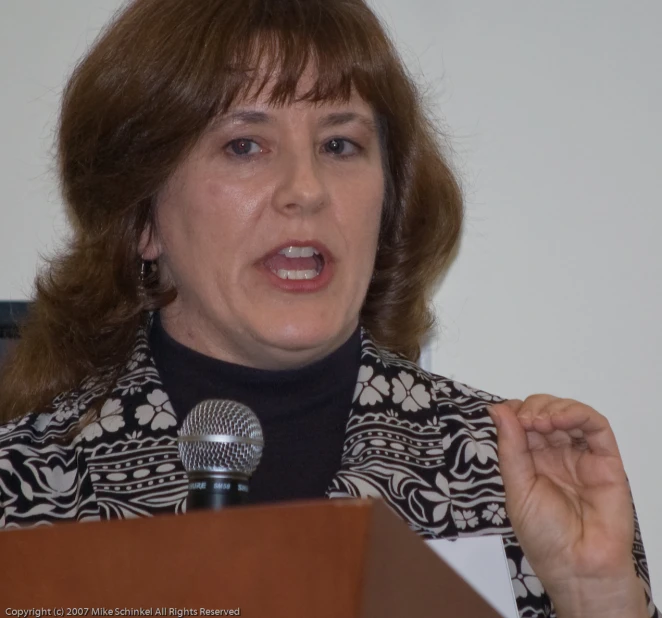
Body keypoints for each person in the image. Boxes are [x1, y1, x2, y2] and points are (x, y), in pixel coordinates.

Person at [0, 1, 656, 616]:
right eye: (244, 145)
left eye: (340, 145)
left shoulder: (504, 475)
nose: (306, 190)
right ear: (142, 216)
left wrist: (595, 596)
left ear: (389, 204)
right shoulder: (25, 487)